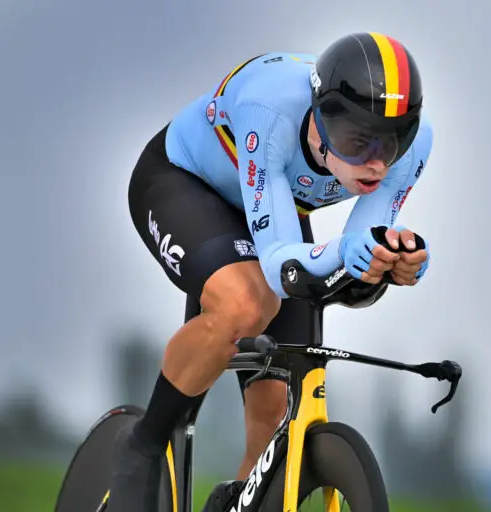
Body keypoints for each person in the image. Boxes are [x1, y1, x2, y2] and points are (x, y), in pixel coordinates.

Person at [107, 31, 433, 511]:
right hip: (185, 183)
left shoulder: (415, 146)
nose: (377, 163)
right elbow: (282, 264)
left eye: (392, 141)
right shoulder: (271, 108)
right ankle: (144, 445)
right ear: (320, 118)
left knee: (276, 412)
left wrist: (390, 262)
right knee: (248, 304)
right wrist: (355, 253)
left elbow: (357, 256)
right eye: (357, 141)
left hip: (274, 205)